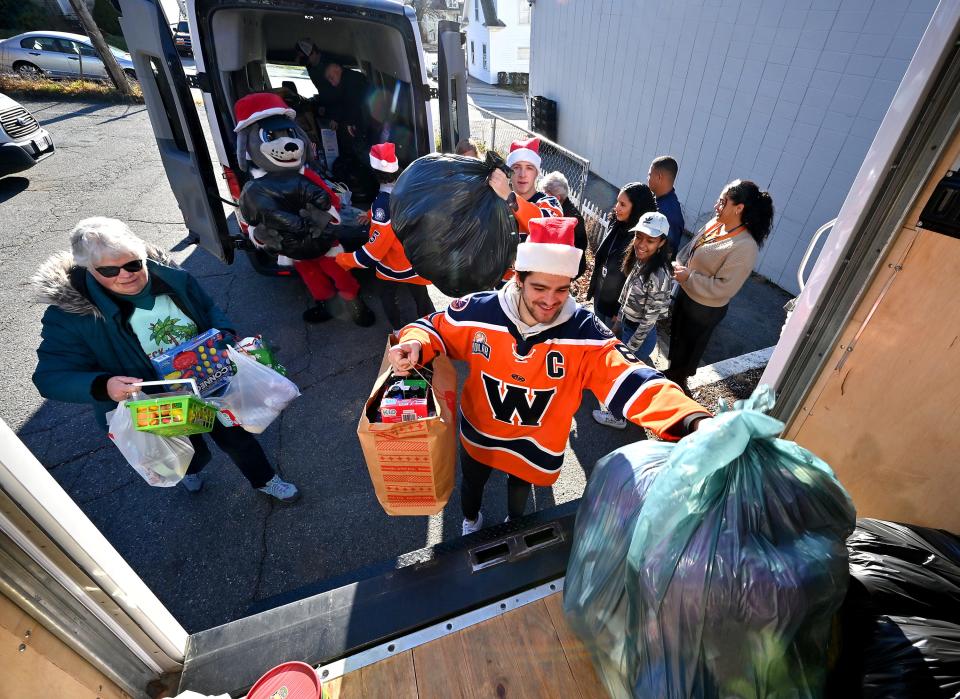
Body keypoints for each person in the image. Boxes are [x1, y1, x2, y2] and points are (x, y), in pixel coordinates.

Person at [387, 217, 711, 535]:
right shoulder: (480, 311)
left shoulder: (584, 332)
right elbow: (433, 326)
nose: (550, 300)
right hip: (480, 430)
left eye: (561, 289)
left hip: (535, 444)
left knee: (520, 496)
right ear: (518, 278)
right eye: (539, 287)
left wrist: (693, 419)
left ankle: (514, 529)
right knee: (472, 484)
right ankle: (471, 522)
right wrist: (415, 342)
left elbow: (631, 375)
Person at [31, 218, 300, 501]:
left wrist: (223, 334)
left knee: (238, 439)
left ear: (142, 254)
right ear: (88, 269)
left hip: (209, 379)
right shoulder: (71, 317)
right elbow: (50, 377)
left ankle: (265, 480)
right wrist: (104, 385)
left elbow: (207, 307)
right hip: (156, 402)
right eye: (109, 270)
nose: (125, 275)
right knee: (184, 448)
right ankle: (189, 471)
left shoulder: (172, 277)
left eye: (133, 264)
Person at [666, 180, 774, 394]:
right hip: (686, 294)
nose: (717, 205)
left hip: (705, 308)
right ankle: (671, 375)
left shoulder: (745, 246)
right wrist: (681, 266)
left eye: (723, 202)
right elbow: (691, 249)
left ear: (739, 208)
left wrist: (689, 276)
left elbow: (725, 288)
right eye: (719, 200)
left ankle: (677, 386)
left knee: (689, 350)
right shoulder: (716, 224)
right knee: (677, 339)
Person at [336, 142, 436, 330]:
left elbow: (373, 252)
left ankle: (398, 331)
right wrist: (370, 215)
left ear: (374, 172)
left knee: (388, 297)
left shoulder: (383, 204)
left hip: (393, 265)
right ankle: (430, 330)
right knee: (421, 296)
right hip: (413, 260)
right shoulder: (408, 185)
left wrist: (344, 259)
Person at [592, 212, 674, 429]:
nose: (642, 244)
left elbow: (649, 321)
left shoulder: (659, 275)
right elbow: (628, 291)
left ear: (662, 242)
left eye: (650, 240)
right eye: (639, 237)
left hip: (640, 334)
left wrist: (629, 350)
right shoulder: (640, 261)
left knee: (626, 375)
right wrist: (618, 320)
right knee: (630, 374)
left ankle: (618, 417)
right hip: (627, 325)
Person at [586, 182, 658, 327]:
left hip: (616, 307)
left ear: (637, 207)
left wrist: (619, 312)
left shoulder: (640, 239)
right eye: (617, 202)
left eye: (623, 204)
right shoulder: (616, 223)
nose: (617, 207)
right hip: (601, 292)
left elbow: (634, 279)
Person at [487, 137, 563, 238]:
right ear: (509, 173)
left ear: (537, 173)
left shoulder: (550, 202)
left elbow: (548, 230)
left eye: (529, 168)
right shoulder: (495, 202)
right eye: (516, 167)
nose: (522, 174)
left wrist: (510, 197)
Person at [540, 171, 588, 279]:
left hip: (567, 270)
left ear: (557, 197)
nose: (542, 198)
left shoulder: (572, 219)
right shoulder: (556, 210)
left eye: (545, 194)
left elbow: (580, 247)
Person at [647, 156, 685, 257]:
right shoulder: (658, 199)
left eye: (649, 174)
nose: (648, 178)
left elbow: (668, 252)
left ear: (659, 177)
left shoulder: (669, 213)